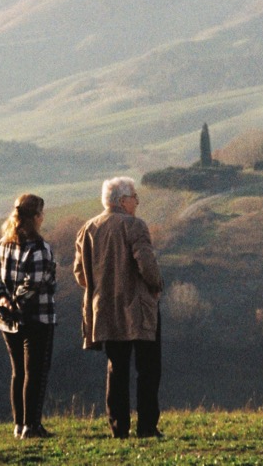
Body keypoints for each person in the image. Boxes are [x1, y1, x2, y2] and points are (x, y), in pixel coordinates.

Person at [74, 176, 164, 439]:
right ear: (122, 200)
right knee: (148, 368)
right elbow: (146, 264)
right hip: (139, 308)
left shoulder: (88, 228)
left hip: (105, 309)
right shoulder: (135, 226)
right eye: (135, 196)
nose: (137, 201)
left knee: (117, 368)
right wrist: (157, 284)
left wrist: (101, 288)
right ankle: (146, 427)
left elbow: (80, 273)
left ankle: (118, 428)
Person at [0, 193, 57, 440]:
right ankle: (32, 426)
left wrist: (3, 300)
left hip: (7, 320)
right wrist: (16, 302)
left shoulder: (1, 244)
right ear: (36, 217)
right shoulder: (40, 248)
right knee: (36, 372)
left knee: (18, 373)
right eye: (41, 214)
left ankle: (19, 424)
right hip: (38, 318)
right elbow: (33, 284)